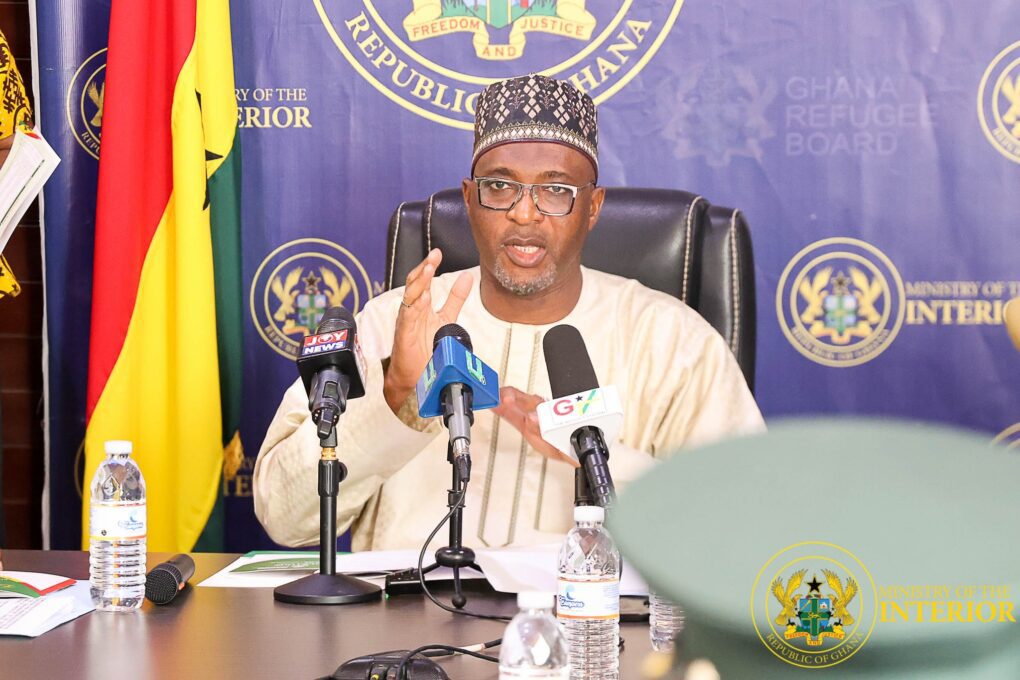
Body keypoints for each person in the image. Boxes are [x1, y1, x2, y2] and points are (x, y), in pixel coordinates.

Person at [253, 75, 764, 551]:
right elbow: (283, 516)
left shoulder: (673, 340)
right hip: (404, 615)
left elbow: (746, 527)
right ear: (470, 199)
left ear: (593, 207)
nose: (524, 213)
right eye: (500, 187)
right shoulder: (393, 322)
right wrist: (396, 393)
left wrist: (592, 455)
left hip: (590, 614)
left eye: (556, 191)